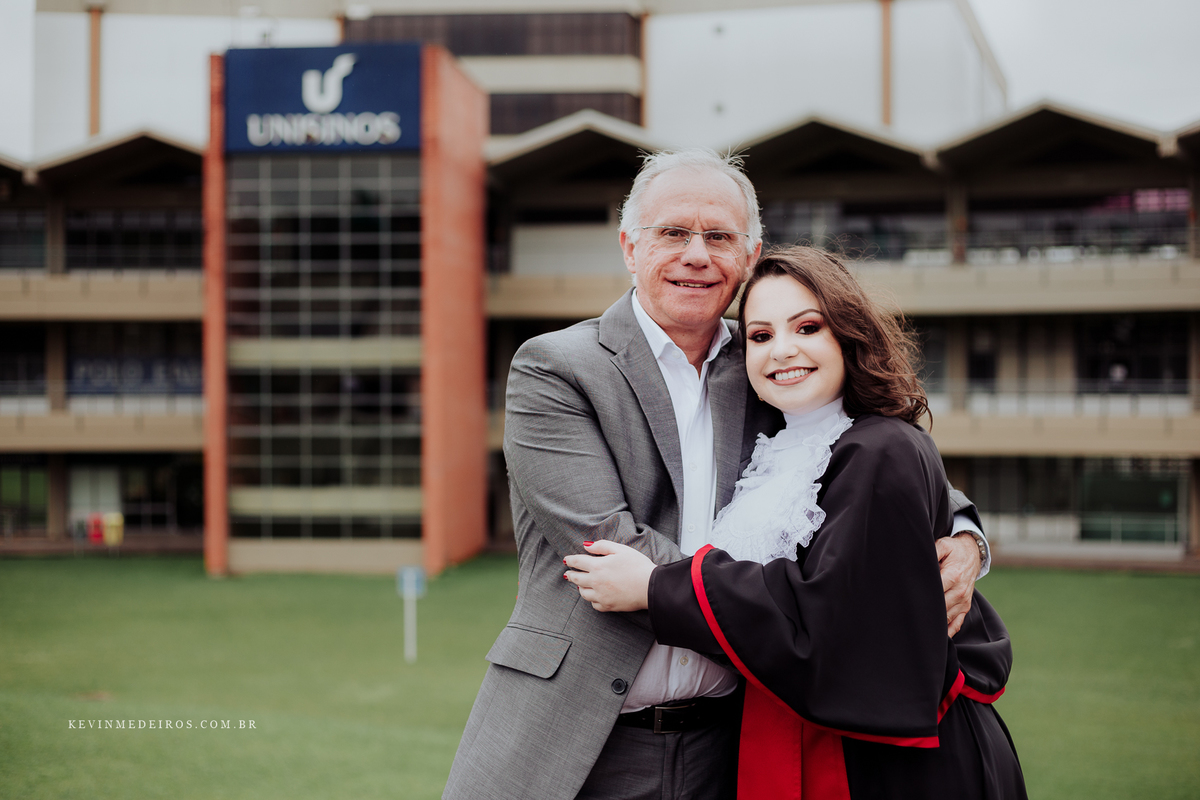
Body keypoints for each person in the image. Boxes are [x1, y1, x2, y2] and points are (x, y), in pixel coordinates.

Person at [443, 150, 990, 800]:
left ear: (749, 254)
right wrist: (811, 614)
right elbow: (609, 551)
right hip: (581, 740)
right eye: (673, 232)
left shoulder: (768, 359)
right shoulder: (556, 369)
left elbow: (865, 449)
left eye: (719, 236)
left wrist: (962, 534)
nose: (696, 254)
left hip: (729, 747)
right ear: (630, 246)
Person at [564, 246, 1027, 799]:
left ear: (848, 334)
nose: (782, 351)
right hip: (788, 729)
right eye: (759, 336)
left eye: (807, 327)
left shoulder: (881, 448)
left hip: (887, 763)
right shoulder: (777, 446)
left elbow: (830, 614)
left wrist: (657, 588)